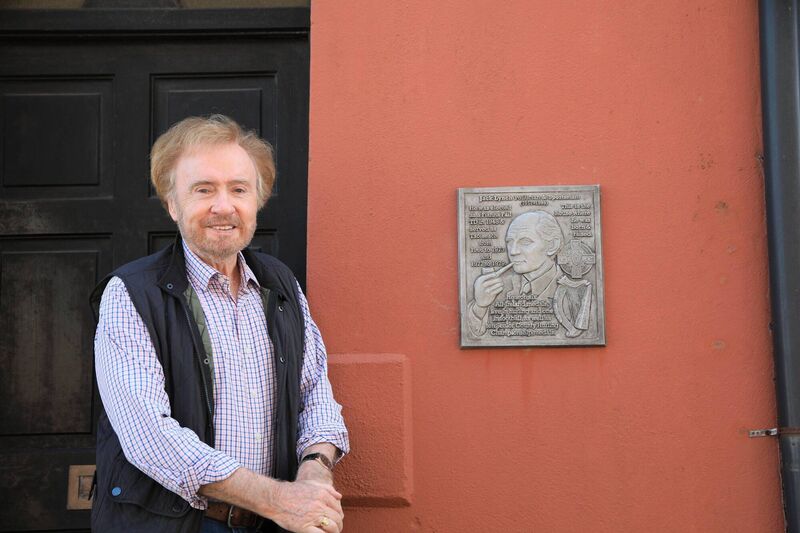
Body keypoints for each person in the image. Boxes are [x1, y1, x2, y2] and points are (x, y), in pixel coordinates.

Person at [90, 115, 349, 533]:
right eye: (203, 189)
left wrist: (315, 472)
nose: (223, 206)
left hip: (276, 522)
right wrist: (281, 499)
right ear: (173, 203)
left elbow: (315, 393)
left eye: (239, 189)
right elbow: (150, 438)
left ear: (257, 201)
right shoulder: (130, 293)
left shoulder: (279, 284)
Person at [467, 210, 565, 336]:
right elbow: (472, 336)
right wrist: (480, 307)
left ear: (552, 245)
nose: (513, 251)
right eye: (510, 242)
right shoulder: (495, 290)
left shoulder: (576, 291)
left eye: (525, 242)